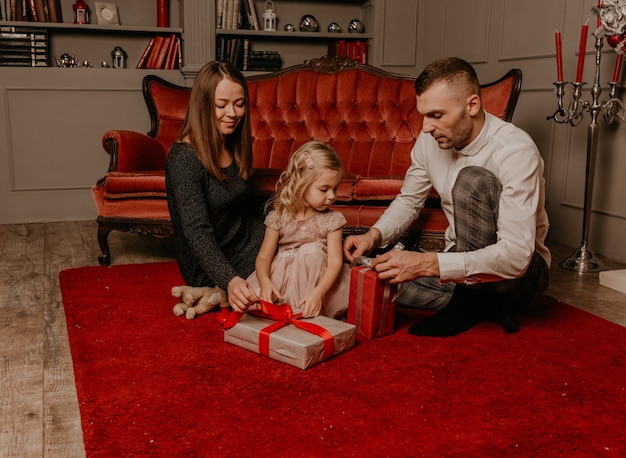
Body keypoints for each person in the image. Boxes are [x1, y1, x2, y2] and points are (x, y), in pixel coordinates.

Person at [343, 57, 551, 337]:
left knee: (472, 181)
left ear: (472, 105)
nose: (426, 127)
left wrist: (426, 264)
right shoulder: (429, 140)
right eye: (423, 115)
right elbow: (408, 200)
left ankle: (466, 303)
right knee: (378, 276)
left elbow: (516, 256)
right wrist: (373, 236)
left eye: (436, 115)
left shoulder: (516, 151)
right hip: (463, 259)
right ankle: (486, 305)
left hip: (520, 273)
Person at [166, 61, 265, 317]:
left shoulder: (231, 140)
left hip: (244, 238)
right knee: (292, 261)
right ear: (203, 105)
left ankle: (215, 296)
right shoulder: (184, 158)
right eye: (221, 105)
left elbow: (245, 204)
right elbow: (196, 231)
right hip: (213, 261)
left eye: (239, 104)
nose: (232, 113)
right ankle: (217, 290)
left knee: (307, 235)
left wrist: (284, 214)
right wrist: (229, 280)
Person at [246, 140, 351, 319]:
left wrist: (318, 293)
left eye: (335, 188)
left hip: (319, 282)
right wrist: (264, 283)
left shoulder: (332, 220)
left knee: (311, 251)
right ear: (301, 184)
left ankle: (310, 305)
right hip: (284, 279)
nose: (332, 196)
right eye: (324, 189)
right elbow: (264, 257)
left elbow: (334, 262)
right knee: (252, 301)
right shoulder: (278, 216)